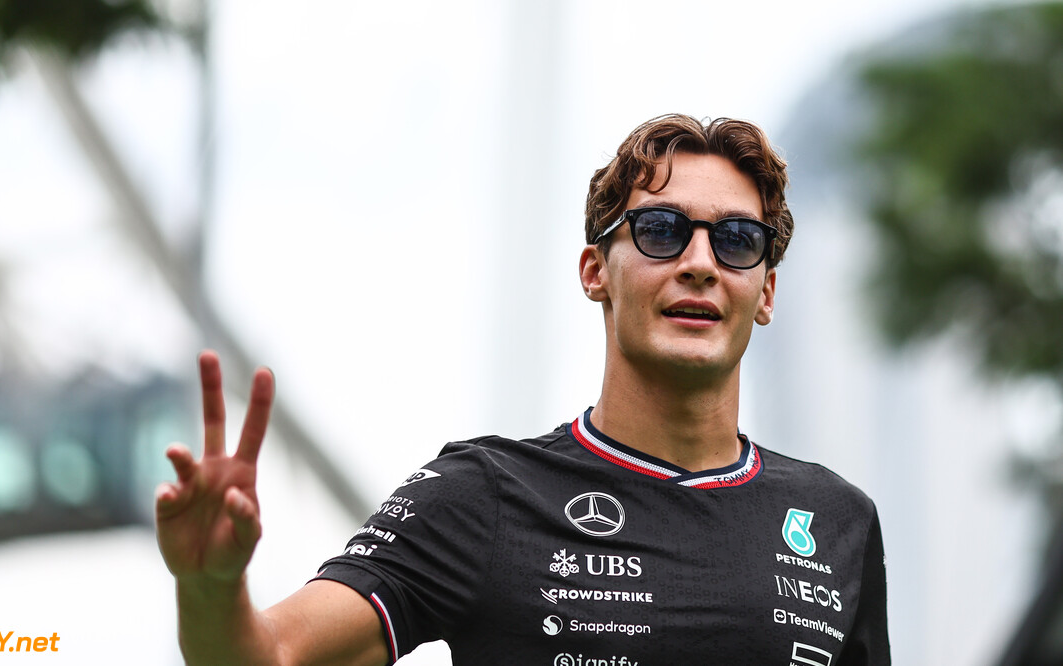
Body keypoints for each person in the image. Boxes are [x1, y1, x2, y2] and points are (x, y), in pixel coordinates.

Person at [154, 114, 890, 665]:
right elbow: (270, 657)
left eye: (736, 240)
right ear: (595, 271)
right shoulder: (484, 494)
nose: (700, 262)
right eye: (662, 230)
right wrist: (211, 586)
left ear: (765, 290)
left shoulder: (838, 522)